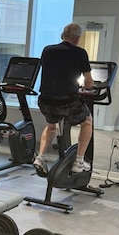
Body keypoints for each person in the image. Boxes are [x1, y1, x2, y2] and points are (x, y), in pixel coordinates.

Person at [33, 23, 95, 177]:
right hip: (67, 102)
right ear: (78, 38)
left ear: (62, 35)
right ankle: (79, 162)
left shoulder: (47, 50)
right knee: (87, 121)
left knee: (52, 125)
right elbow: (88, 83)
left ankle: (40, 157)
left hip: (46, 101)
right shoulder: (80, 53)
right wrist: (86, 86)